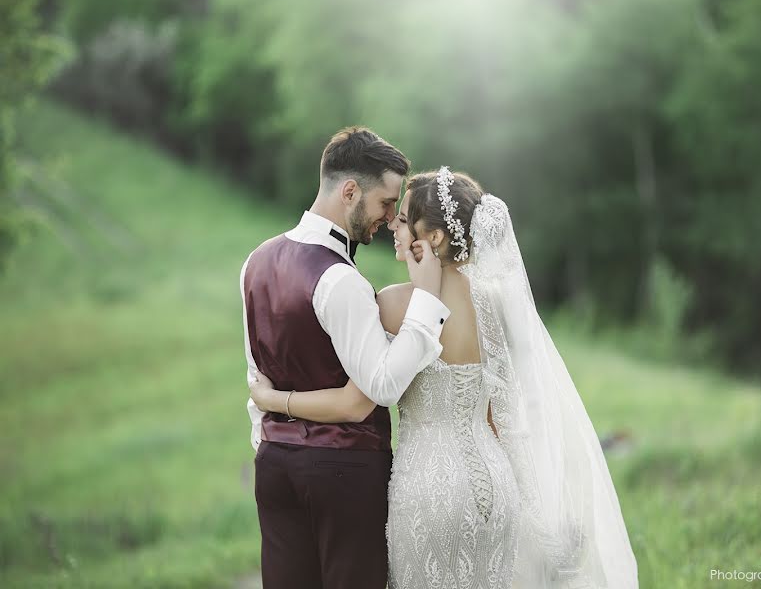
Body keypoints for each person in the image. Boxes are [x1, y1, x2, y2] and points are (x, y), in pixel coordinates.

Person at [251, 167, 640, 588]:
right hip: (495, 482)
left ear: (434, 237)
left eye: (403, 219)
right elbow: (501, 411)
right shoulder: (496, 305)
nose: (393, 227)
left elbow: (359, 397)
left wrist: (273, 400)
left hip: (426, 489)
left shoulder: (394, 305)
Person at [240, 127, 450, 589]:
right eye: (386, 203)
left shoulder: (254, 262)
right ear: (350, 190)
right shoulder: (340, 280)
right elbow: (381, 387)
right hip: (344, 472)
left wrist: (270, 441)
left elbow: (259, 376)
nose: (391, 218)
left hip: (274, 466)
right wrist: (428, 303)